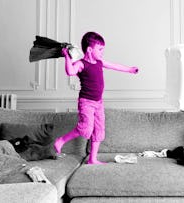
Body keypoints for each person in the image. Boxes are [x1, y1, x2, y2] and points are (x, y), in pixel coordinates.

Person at [54, 31, 138, 164]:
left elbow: (114, 66)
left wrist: (129, 69)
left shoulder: (99, 62)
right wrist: (67, 57)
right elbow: (70, 71)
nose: (102, 52)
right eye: (100, 49)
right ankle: (61, 140)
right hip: (86, 102)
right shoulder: (81, 64)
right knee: (86, 129)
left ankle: (92, 159)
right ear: (89, 49)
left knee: (99, 130)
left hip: (99, 103)